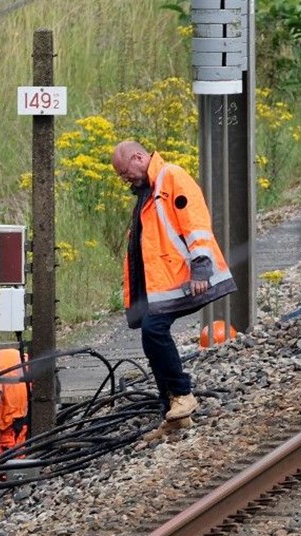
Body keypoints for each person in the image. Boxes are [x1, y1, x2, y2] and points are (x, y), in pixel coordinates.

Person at [109, 140, 235, 423]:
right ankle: (173, 411)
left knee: (154, 331)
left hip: (182, 277)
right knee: (151, 336)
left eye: (123, 171)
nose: (123, 178)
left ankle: (181, 394)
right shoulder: (148, 190)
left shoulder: (171, 177)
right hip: (162, 282)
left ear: (139, 157)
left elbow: (195, 223)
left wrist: (201, 269)